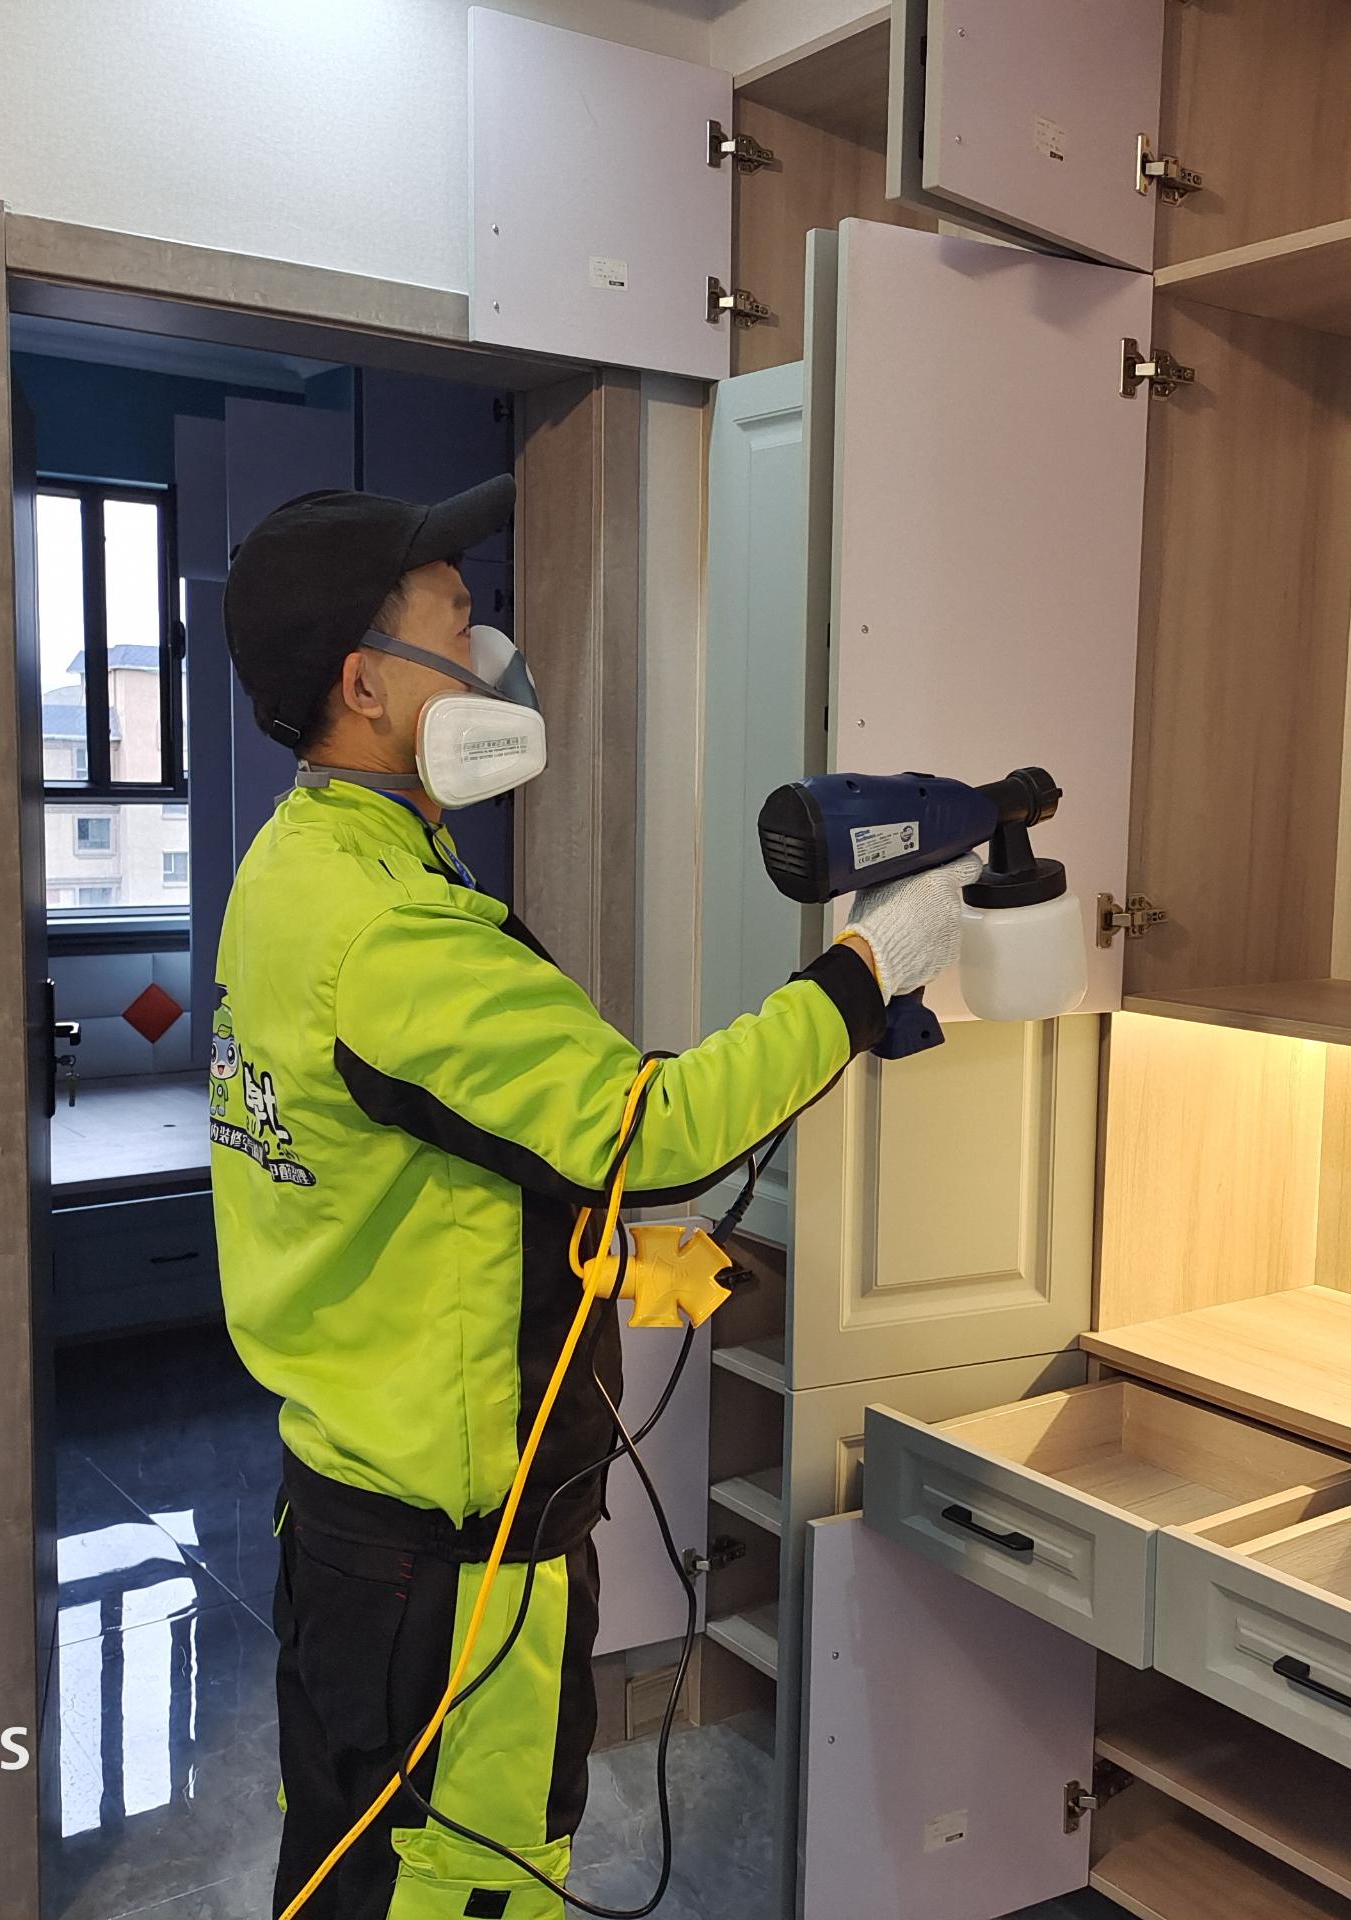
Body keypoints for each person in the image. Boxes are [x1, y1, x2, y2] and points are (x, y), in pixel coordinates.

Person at [211, 476, 976, 1919]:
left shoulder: (302, 867)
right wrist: (867, 970)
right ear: (367, 685)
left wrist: (590, 1251)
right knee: (466, 1885)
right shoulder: (392, 930)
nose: (494, 654)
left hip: (352, 1519)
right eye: (460, 623)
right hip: (453, 1573)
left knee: (352, 1865)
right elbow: (653, 1126)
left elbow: (413, 1158)